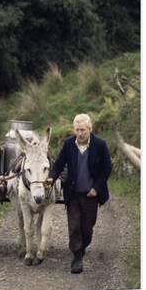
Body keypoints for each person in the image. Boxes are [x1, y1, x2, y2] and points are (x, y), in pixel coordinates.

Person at [50, 114, 111, 274]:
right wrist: (51, 178)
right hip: (73, 193)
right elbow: (59, 163)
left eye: (83, 130)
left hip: (91, 194)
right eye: (77, 130)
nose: (80, 133)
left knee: (87, 228)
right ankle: (77, 257)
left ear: (90, 129)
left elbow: (106, 169)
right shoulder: (69, 144)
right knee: (74, 226)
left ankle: (82, 246)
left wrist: (96, 188)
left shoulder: (100, 145)